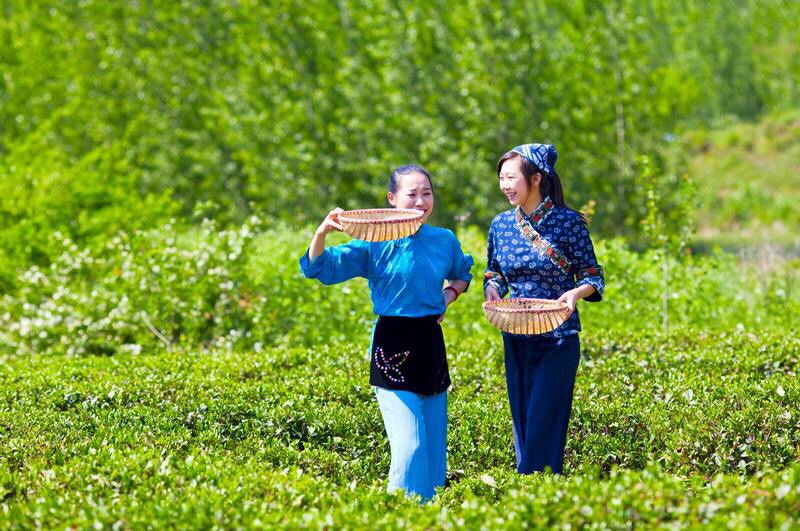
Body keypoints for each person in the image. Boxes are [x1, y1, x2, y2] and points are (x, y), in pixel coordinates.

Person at [299, 165, 473, 501]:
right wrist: (321, 233)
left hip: (431, 344)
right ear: (392, 199)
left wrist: (448, 296)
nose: (421, 201)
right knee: (409, 445)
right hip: (392, 346)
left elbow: (462, 271)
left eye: (427, 193)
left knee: (435, 450)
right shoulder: (373, 243)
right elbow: (319, 267)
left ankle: (430, 517)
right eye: (412, 193)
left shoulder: (443, 240)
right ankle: (396, 514)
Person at [484, 143, 605, 475]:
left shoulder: (568, 223)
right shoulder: (501, 225)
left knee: (543, 421)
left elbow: (594, 277)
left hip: (558, 338)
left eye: (511, 178)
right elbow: (493, 271)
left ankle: (538, 492)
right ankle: (531, 494)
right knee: (522, 421)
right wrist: (493, 289)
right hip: (517, 334)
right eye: (502, 178)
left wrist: (574, 295)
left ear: (535, 178)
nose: (505, 185)